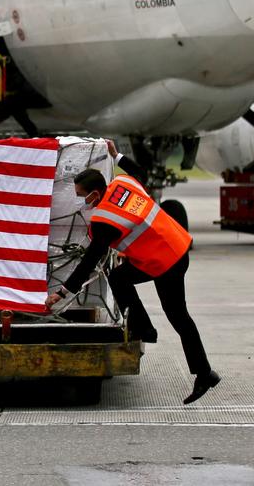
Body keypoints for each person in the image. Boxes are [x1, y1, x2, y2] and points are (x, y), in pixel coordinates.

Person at [45, 140, 220, 405]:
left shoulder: (105, 220)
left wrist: (62, 292)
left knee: (177, 316)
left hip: (165, 262)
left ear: (94, 192)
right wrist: (118, 157)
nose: (82, 201)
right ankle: (145, 329)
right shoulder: (122, 185)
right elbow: (141, 173)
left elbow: (90, 260)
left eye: (83, 195)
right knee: (120, 277)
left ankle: (203, 372)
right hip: (176, 246)